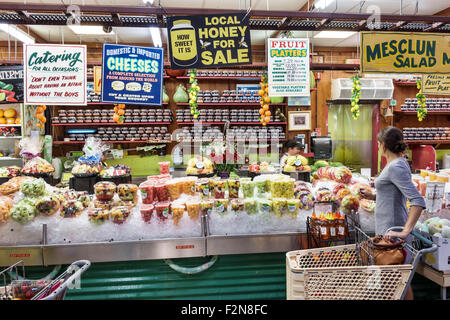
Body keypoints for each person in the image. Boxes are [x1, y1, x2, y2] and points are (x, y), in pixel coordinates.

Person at [360, 126, 425, 300]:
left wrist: (405, 231)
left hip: (393, 235)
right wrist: (373, 196)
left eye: (378, 143)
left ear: (382, 145)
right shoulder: (396, 163)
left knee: (394, 283)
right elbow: (394, 194)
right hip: (387, 233)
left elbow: (417, 201)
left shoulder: (396, 166)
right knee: (398, 283)